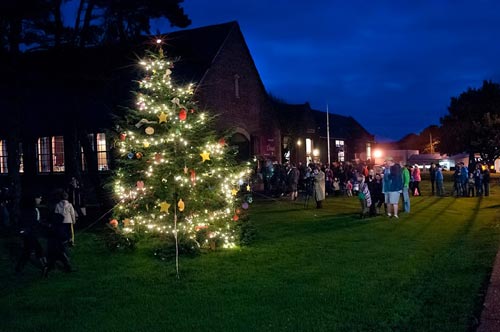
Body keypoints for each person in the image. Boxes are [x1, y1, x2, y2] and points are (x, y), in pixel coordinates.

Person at [15, 195, 48, 275]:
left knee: (27, 251)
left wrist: (22, 230)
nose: (39, 199)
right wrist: (45, 225)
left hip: (26, 233)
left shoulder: (23, 211)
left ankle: (19, 268)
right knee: (38, 250)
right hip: (31, 233)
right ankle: (44, 267)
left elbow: (20, 221)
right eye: (38, 198)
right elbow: (36, 222)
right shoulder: (34, 210)